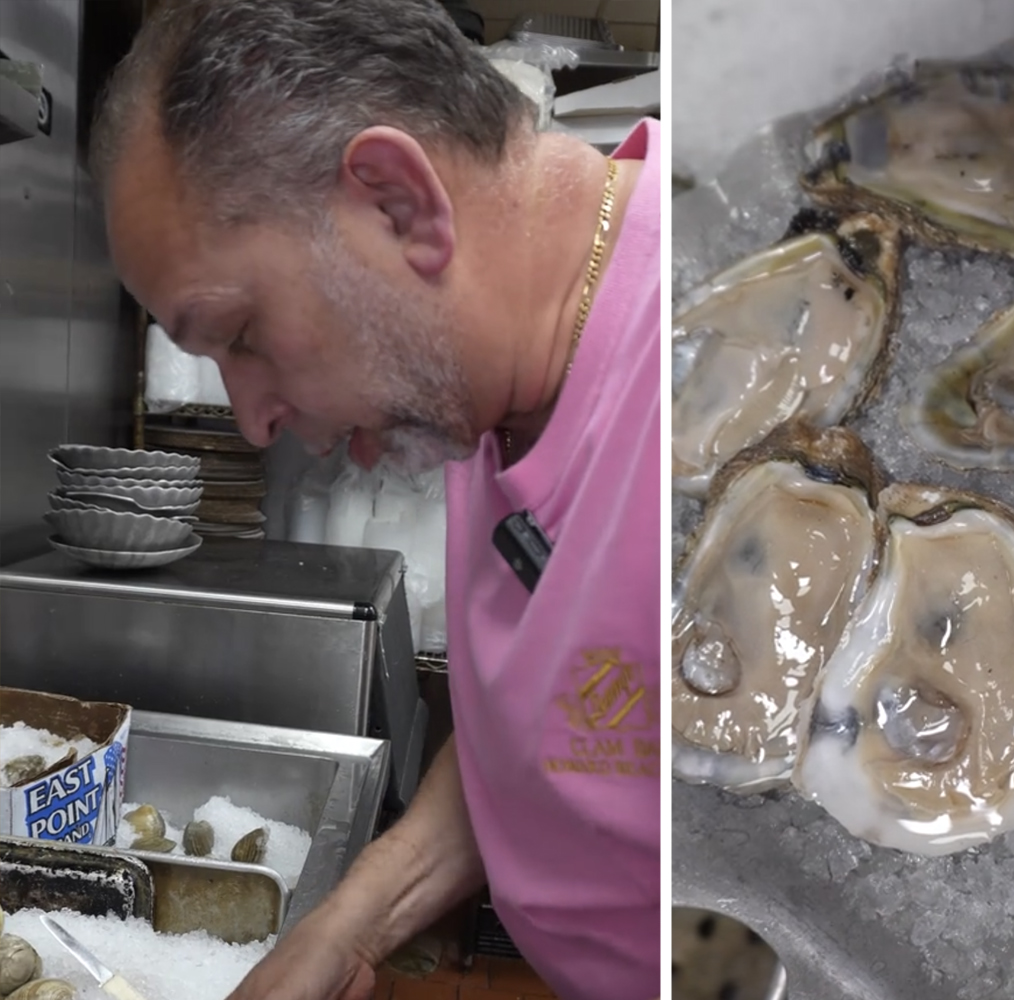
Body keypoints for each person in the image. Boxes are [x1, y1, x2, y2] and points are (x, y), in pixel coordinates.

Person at [89, 1, 661, 996]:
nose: (254, 420)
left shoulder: (704, 394)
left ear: (397, 204)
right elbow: (542, 733)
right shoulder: (474, 373)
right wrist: (348, 929)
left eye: (242, 334)